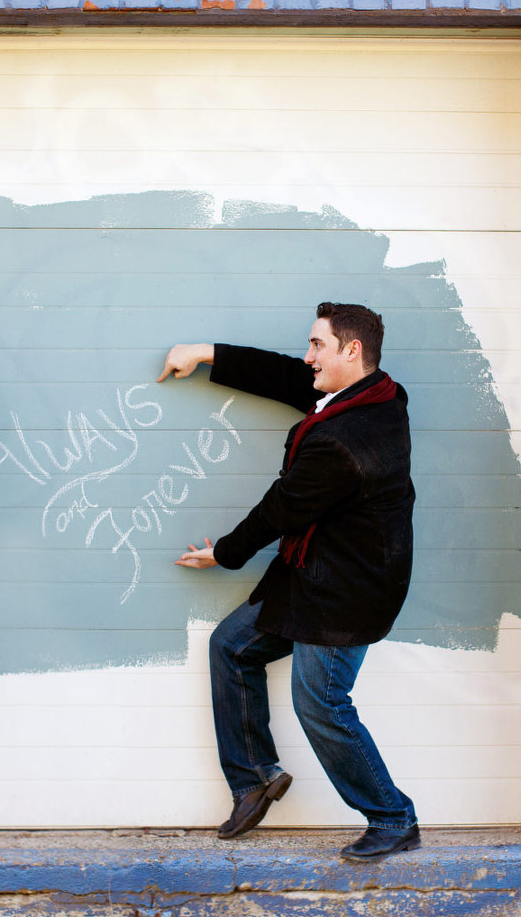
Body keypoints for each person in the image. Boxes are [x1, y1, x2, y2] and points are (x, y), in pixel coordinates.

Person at [158, 302, 420, 861]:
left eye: (317, 345)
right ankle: (254, 778)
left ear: (352, 350)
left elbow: (282, 508)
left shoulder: (344, 440)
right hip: (312, 574)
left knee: (321, 704)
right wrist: (204, 353)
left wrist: (224, 553)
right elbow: (283, 375)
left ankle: (393, 817)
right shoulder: (373, 395)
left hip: (345, 594)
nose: (307, 357)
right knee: (232, 648)